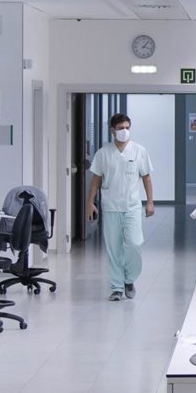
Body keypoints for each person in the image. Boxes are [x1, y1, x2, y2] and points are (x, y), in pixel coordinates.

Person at [86, 114, 155, 301]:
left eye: (127, 127)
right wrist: (90, 202)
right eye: (120, 128)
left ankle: (129, 279)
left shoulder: (139, 151)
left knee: (134, 244)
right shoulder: (103, 153)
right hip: (110, 207)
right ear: (112, 131)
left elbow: (146, 177)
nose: (124, 131)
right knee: (114, 249)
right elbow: (96, 179)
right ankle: (117, 287)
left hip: (132, 206)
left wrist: (150, 201)